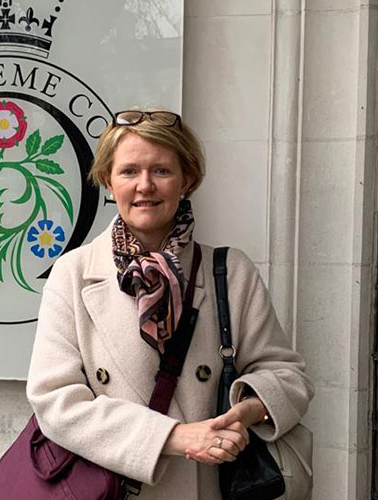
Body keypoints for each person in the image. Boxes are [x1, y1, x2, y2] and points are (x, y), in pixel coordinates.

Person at [26, 110, 314, 500]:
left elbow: (287, 376)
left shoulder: (230, 272)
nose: (145, 186)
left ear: (187, 179)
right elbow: (55, 400)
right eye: (129, 171)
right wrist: (175, 437)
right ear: (108, 181)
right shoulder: (74, 273)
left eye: (161, 170)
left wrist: (246, 412)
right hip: (115, 488)